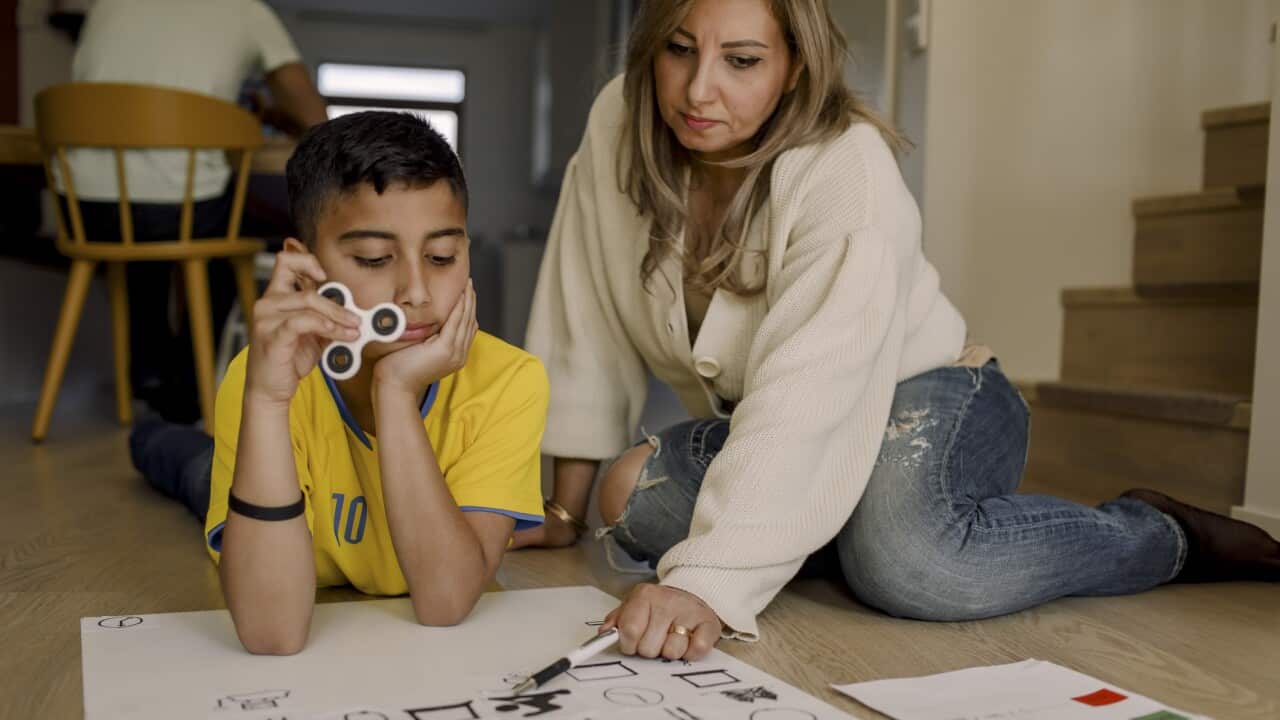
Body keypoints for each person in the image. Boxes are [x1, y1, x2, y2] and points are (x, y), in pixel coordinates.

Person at [516, 0, 1280, 662]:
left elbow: (813, 389)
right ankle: (828, 523)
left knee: (912, 566)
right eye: (679, 50)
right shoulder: (621, 120)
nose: (698, 89)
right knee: (628, 495)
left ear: (794, 67)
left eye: (741, 60)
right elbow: (581, 306)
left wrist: (710, 584)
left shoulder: (846, 166)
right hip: (778, 418)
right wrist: (561, 511)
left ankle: (1161, 534)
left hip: (935, 391)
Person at [130, 111, 548, 654]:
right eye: (374, 259)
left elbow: (445, 600)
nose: (416, 292)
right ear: (305, 268)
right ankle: (151, 436)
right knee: (188, 466)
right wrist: (266, 400)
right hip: (259, 478)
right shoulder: (260, 378)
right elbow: (272, 632)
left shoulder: (511, 381)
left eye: (442, 256)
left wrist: (395, 391)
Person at [61, 0, 329, 422]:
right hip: (178, 207)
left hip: (85, 206)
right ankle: (189, 386)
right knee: (222, 247)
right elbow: (318, 121)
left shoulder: (106, 4)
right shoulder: (247, 11)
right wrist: (280, 117)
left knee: (139, 238)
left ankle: (148, 367)